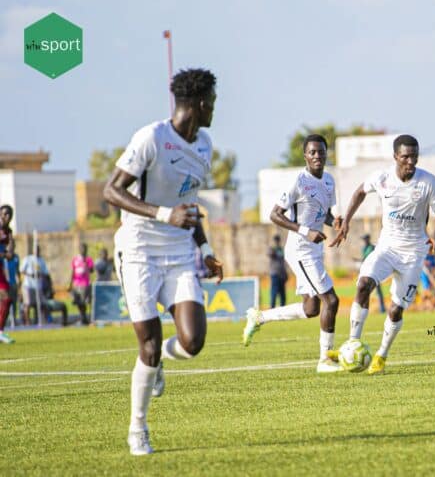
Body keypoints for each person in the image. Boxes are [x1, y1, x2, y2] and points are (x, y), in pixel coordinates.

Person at [103, 68, 224, 456]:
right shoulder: (151, 137)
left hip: (178, 252)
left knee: (192, 342)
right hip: (138, 249)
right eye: (214, 102)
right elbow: (111, 190)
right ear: (201, 102)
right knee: (149, 345)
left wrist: (205, 251)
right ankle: (138, 429)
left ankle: (157, 365)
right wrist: (161, 214)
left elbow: (189, 206)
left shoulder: (204, 145)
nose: (215, 110)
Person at [330, 134, 435, 375]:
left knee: (395, 310)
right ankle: (353, 343)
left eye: (414, 156)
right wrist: (347, 221)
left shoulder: (428, 182)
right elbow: (360, 192)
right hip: (386, 248)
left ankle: (381, 355)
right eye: (405, 156)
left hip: (414, 253)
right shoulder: (382, 178)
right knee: (363, 284)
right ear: (395, 156)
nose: (411, 161)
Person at [242, 134, 343, 374]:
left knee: (311, 309)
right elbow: (275, 214)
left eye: (321, 151)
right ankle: (325, 360)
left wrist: (335, 222)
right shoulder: (298, 181)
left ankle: (259, 318)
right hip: (299, 249)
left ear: (327, 153)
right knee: (331, 300)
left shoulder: (329, 181)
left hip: (315, 249)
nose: (317, 156)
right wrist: (305, 231)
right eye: (312, 152)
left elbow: (324, 213)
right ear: (305, 156)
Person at [20, 244, 48, 326]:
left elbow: (45, 272)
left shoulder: (41, 260)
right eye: (36, 249)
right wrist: (30, 274)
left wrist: (40, 274)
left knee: (40, 304)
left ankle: (40, 320)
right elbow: (21, 270)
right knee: (27, 303)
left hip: (38, 286)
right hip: (28, 285)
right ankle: (27, 322)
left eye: (38, 250)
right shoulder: (28, 259)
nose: (37, 251)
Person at [69, 243, 94, 325]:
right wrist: (70, 284)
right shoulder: (75, 259)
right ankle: (82, 317)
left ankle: (84, 318)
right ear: (79, 249)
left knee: (83, 301)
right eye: (82, 248)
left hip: (85, 283)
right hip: (76, 283)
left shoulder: (88, 259)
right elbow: (73, 271)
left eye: (84, 248)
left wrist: (87, 265)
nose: (83, 250)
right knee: (77, 301)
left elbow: (91, 270)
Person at [0, 205, 15, 343]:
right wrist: (5, 254)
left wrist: (8, 252)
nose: (7, 217)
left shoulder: (8, 231)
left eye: (10, 215)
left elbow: (11, 252)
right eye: (5, 214)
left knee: (7, 297)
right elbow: (6, 254)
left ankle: (0, 331)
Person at [361, 234, 386, 313]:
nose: (364, 241)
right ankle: (365, 309)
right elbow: (364, 259)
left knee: (378, 291)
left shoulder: (372, 247)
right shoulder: (364, 249)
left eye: (365, 239)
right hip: (367, 272)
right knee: (366, 291)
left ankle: (382, 308)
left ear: (368, 239)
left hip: (374, 272)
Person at [268, 234, 287, 308]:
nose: (277, 242)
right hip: (274, 274)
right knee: (274, 292)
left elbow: (283, 262)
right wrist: (274, 249)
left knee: (282, 293)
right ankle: (272, 307)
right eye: (276, 240)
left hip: (282, 274)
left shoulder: (281, 249)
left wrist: (285, 273)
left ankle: (283, 307)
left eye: (278, 240)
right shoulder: (272, 249)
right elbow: (270, 254)